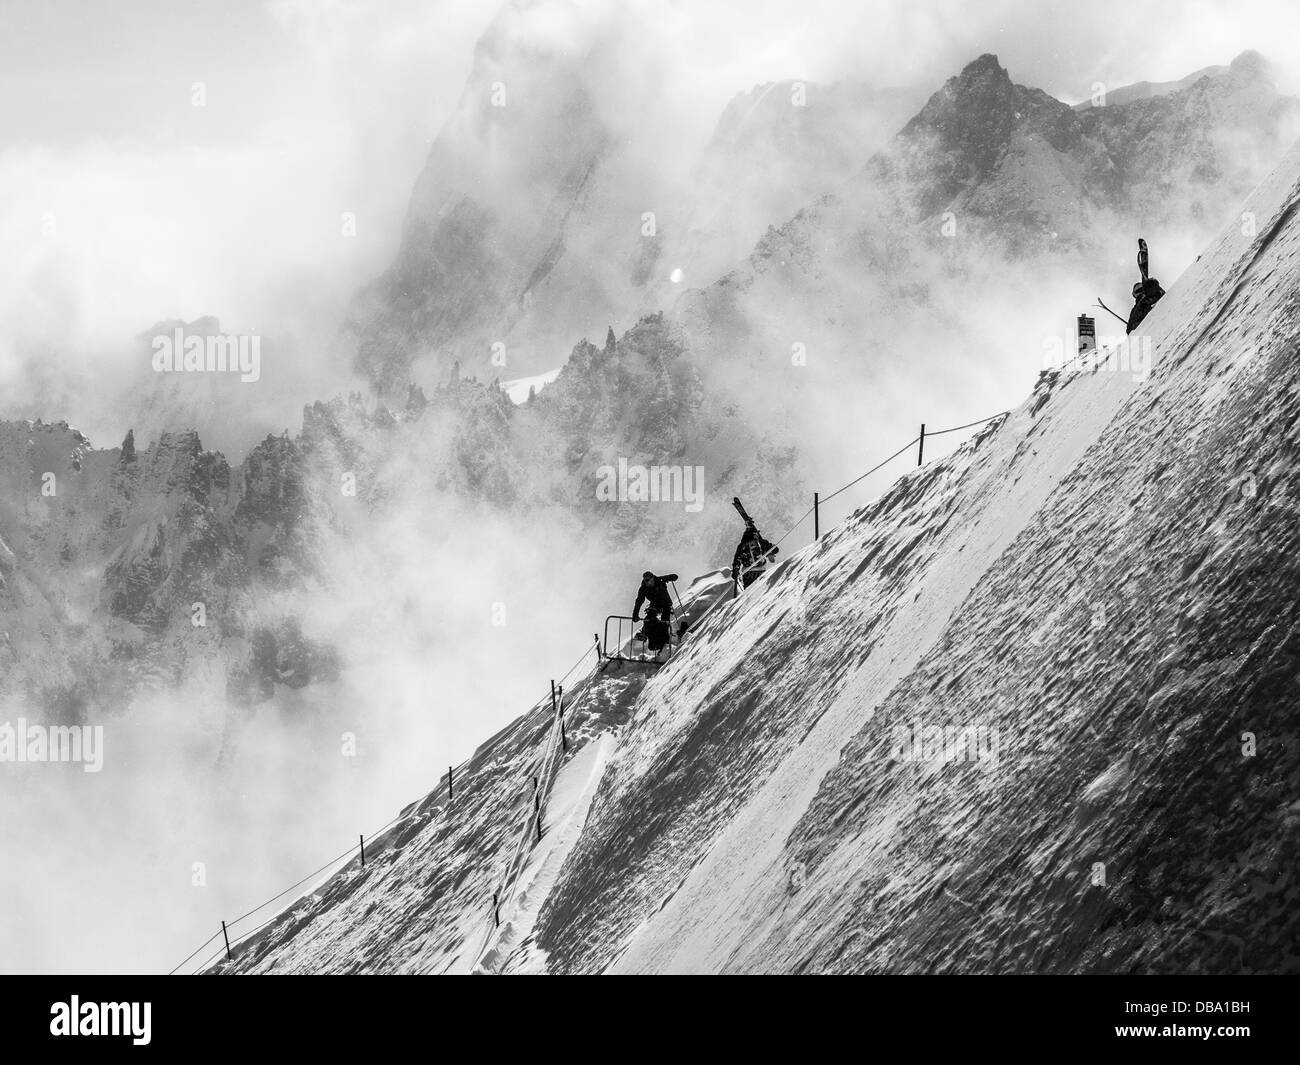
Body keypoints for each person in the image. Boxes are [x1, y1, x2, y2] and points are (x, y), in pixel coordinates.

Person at [1126, 237, 1165, 334]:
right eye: (1138, 291)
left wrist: (1153, 285)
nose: (1140, 293)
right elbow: (1130, 330)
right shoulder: (1139, 306)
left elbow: (1129, 331)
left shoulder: (1143, 301)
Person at [632, 572, 678, 654]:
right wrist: (635, 614)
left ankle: (665, 644)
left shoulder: (660, 580)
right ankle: (644, 634)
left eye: (648, 580)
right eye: (645, 581)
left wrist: (672, 577)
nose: (647, 582)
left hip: (665, 604)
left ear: (653, 578)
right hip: (655, 605)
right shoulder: (643, 588)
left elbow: (672, 577)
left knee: (665, 620)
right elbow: (639, 601)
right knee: (649, 617)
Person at [732, 523, 778, 590]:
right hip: (761, 570)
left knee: (748, 593)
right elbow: (776, 550)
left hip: (748, 572)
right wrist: (770, 551)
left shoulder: (741, 546)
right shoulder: (761, 542)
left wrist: (735, 572)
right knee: (761, 591)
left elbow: (737, 560)